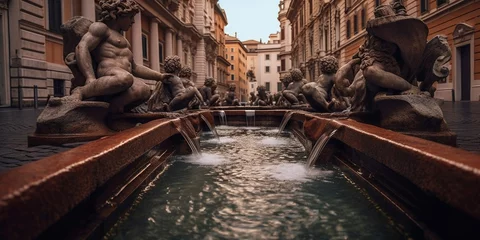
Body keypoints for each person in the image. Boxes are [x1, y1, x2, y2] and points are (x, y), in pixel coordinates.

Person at [54, 0, 172, 113]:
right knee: (125, 78)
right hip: (109, 74)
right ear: (117, 15)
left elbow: (135, 68)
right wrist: (90, 77)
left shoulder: (124, 41)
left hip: (124, 80)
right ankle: (81, 91)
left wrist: (160, 76)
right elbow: (82, 47)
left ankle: (112, 112)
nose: (133, 21)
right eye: (130, 17)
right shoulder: (102, 28)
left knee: (144, 89)